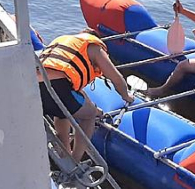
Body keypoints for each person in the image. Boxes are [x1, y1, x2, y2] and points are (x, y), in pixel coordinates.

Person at [37, 29, 133, 162]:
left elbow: (76, 93)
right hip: (57, 86)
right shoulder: (93, 46)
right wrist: (126, 96)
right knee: (89, 116)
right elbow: (117, 78)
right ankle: (75, 159)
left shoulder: (65, 40)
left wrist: (95, 108)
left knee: (62, 113)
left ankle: (63, 153)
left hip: (34, 88)